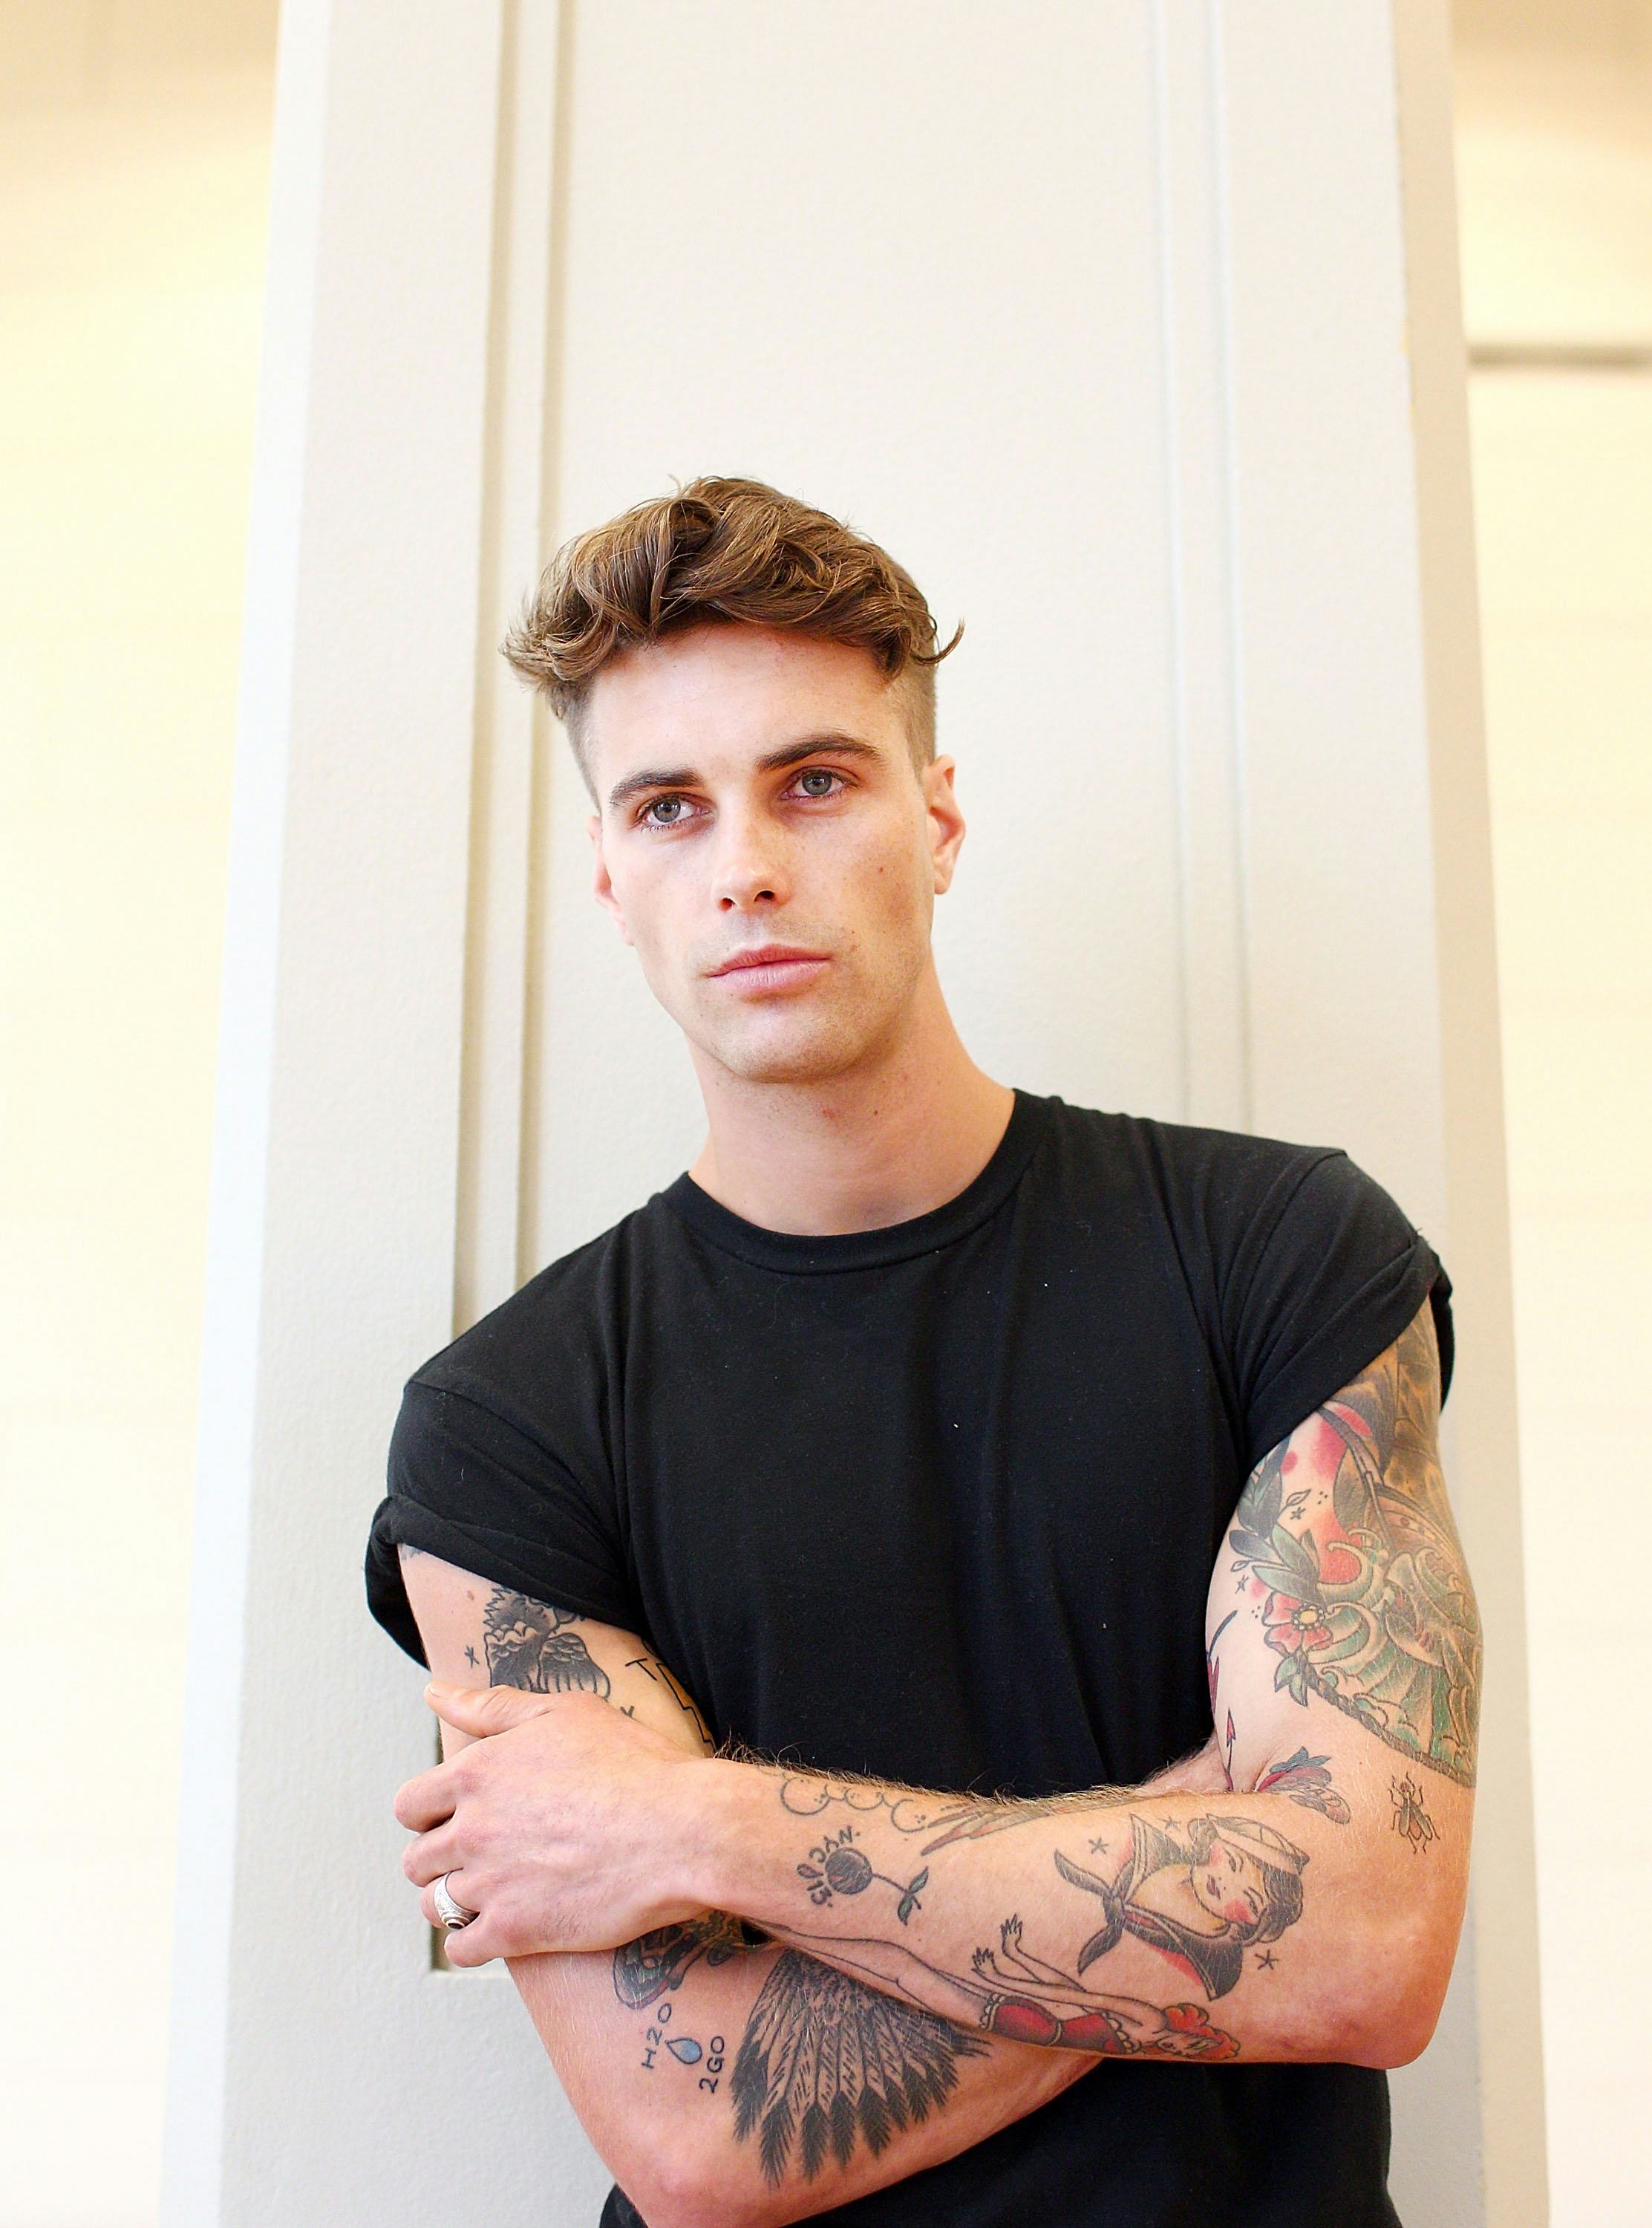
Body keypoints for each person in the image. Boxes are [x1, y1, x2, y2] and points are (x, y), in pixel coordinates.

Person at [365, 476, 1479, 2228]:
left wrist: (696, 1828)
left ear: (937, 819)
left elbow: (1364, 1940)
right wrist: (1212, 1839)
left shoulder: (1282, 1257)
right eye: (669, 807)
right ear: (610, 874)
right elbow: (699, 2132)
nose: (745, 865)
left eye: (815, 781)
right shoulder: (509, 1425)